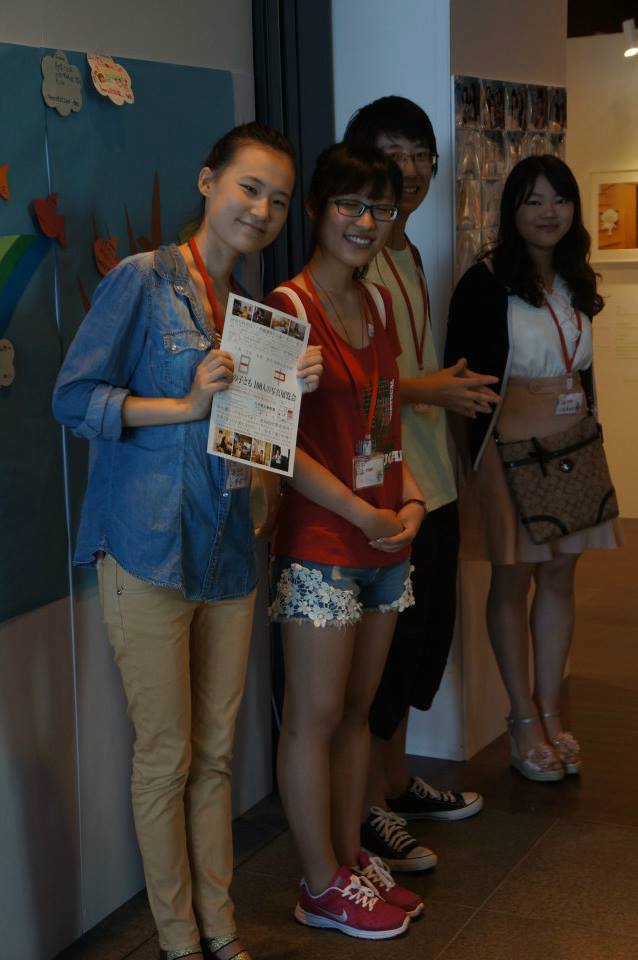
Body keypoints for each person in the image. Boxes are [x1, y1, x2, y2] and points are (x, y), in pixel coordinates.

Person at [52, 122, 323, 960]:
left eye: (278, 200)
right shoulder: (144, 280)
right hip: (145, 546)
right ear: (208, 182)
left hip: (229, 545)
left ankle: (221, 927)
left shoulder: (254, 312)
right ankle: (176, 938)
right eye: (249, 188)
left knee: (215, 755)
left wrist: (290, 389)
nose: (262, 210)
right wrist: (184, 406)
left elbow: (251, 440)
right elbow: (72, 397)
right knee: (166, 755)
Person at [266, 142, 427, 939]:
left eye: (380, 208)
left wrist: (414, 497)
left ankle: (348, 859)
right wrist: (362, 515)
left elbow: (386, 423)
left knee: (359, 711)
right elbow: (275, 445)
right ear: (317, 209)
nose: (366, 222)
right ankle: (319, 881)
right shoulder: (285, 307)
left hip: (386, 537)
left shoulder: (381, 304)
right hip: (323, 542)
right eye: (350, 204)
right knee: (315, 715)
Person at [343, 96, 492, 870]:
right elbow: (345, 384)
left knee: (420, 647)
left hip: (431, 482)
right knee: (384, 660)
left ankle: (396, 783)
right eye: (392, 154)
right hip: (383, 493)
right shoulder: (354, 256)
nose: (408, 170)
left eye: (420, 155)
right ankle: (366, 808)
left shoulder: (405, 253)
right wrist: (432, 389)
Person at [445, 154, 622, 781]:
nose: (549, 212)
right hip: (507, 445)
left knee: (561, 575)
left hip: (573, 443)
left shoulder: (576, 275)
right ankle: (521, 719)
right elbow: (462, 379)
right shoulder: (485, 281)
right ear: (511, 209)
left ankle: (550, 710)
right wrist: (470, 461)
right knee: (513, 577)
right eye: (533, 200)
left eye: (560, 199)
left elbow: (583, 367)